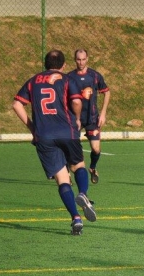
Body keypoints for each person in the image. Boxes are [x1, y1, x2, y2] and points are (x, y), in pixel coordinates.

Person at [12, 49, 98, 235]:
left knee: (62, 180)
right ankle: (83, 193)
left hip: (44, 136)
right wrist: (76, 118)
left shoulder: (33, 80)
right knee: (78, 166)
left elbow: (16, 104)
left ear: (45, 64)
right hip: (66, 132)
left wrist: (33, 128)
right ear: (64, 65)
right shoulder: (67, 79)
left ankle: (76, 218)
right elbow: (76, 102)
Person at [67, 49, 110, 184]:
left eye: (83, 59)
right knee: (70, 147)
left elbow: (107, 92)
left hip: (92, 118)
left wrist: (103, 113)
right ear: (75, 60)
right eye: (78, 59)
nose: (81, 62)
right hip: (74, 119)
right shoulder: (69, 77)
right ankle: (66, 171)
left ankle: (93, 168)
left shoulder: (95, 76)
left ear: (87, 59)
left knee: (96, 149)